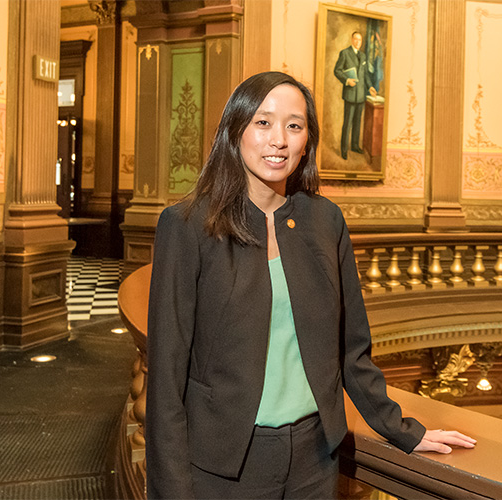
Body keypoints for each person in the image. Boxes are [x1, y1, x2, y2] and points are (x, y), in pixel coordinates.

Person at [145, 71, 476, 500]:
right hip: (225, 464)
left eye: (294, 125)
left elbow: (351, 349)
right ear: (235, 129)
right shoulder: (187, 226)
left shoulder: (325, 222)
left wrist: (402, 431)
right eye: (263, 122)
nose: (279, 140)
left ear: (307, 140)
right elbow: (166, 381)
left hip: (315, 458)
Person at [334, 31, 377, 160]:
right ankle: (344, 150)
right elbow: (337, 70)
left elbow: (365, 75)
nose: (358, 42)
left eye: (360, 40)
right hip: (350, 94)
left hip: (361, 95)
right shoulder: (345, 53)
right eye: (356, 39)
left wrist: (370, 87)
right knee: (347, 123)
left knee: (357, 122)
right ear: (352, 40)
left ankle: (354, 145)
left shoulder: (363, 56)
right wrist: (347, 80)